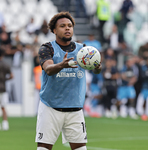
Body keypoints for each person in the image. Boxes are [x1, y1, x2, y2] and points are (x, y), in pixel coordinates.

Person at [35, 12, 102, 150]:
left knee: (80, 148)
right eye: (62, 26)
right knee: (43, 148)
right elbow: (48, 69)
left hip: (75, 109)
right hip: (50, 107)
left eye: (70, 26)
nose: (67, 28)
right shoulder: (46, 48)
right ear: (54, 30)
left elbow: (96, 71)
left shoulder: (83, 50)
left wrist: (97, 68)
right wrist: (61, 65)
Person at [0, 48, 13, 130]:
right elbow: (12, 75)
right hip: (3, 88)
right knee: (3, 107)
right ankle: (5, 124)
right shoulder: (5, 64)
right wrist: (5, 79)